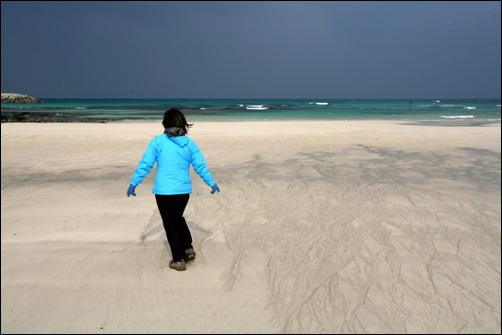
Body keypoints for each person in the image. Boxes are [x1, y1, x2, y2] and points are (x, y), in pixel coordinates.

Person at [127, 108, 220, 271]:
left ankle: (178, 260)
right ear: (183, 123)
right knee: (178, 218)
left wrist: (134, 182)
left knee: (170, 224)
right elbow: (200, 166)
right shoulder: (189, 144)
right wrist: (211, 183)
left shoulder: (157, 141)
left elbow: (146, 164)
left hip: (164, 193)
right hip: (183, 193)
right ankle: (188, 248)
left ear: (165, 123)